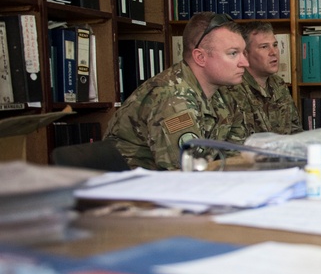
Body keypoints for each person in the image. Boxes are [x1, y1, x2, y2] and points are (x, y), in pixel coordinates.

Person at [105, 12, 250, 170]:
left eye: (243, 53)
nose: (245, 63)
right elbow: (185, 174)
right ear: (200, 57)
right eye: (233, 53)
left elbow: (236, 160)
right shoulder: (173, 99)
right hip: (133, 189)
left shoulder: (225, 93)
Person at [224, 21, 302, 136]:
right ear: (245, 54)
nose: (273, 52)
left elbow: (295, 131)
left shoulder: (279, 84)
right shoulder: (232, 88)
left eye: (275, 45)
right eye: (264, 47)